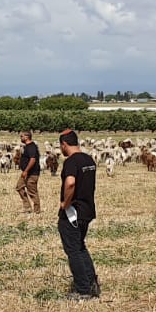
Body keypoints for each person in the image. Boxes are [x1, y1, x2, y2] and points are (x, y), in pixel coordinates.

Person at [56, 128, 100, 301]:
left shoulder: (71, 162)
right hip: (87, 210)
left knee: (73, 251)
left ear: (64, 144)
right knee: (81, 247)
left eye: (61, 146)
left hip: (72, 213)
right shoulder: (88, 159)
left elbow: (71, 183)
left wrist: (65, 203)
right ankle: (92, 283)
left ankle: (82, 290)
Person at [15, 130, 41, 214]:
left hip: (32, 173)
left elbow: (33, 159)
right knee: (19, 187)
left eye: (21, 136)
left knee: (32, 191)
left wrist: (26, 170)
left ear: (26, 137)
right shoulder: (27, 146)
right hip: (26, 173)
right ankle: (27, 207)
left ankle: (37, 210)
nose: (21, 138)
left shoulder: (31, 147)